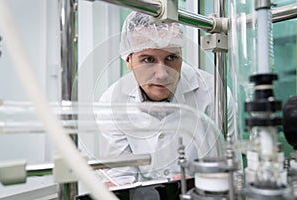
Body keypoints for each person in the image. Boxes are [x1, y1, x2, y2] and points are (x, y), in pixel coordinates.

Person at [97, 11, 235, 187]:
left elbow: (228, 170)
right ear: (129, 60)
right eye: (148, 59)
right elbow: (119, 181)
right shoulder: (112, 102)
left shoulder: (213, 93)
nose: (162, 75)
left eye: (171, 58)